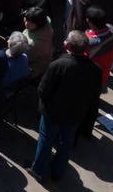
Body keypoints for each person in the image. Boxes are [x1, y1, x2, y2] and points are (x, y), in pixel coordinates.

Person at [31, 32, 101, 183]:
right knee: (66, 143)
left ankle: (38, 171)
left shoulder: (58, 65)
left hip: (52, 114)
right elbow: (94, 98)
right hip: (75, 115)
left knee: (46, 141)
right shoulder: (96, 69)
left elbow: (43, 91)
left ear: (66, 45)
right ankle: (57, 172)